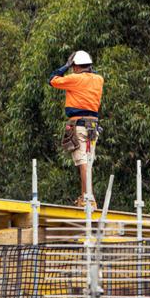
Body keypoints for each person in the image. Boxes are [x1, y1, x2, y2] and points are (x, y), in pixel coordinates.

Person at [49, 50, 104, 208]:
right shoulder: (98, 79)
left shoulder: (74, 78)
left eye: (73, 67)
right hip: (93, 125)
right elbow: (92, 74)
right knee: (88, 160)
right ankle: (86, 196)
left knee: (82, 161)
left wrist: (65, 66)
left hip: (80, 125)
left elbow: (52, 80)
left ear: (76, 67)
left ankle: (88, 198)